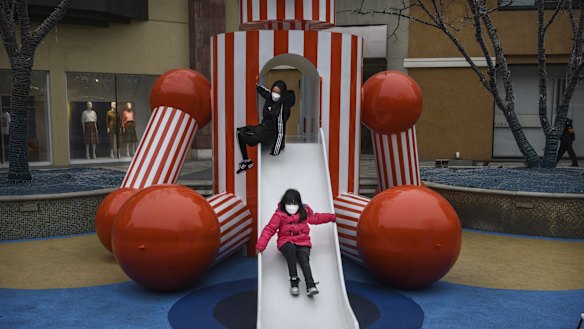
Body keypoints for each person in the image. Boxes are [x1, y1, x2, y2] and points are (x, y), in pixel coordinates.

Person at [255, 189, 336, 296]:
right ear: (284, 203)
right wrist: (260, 246)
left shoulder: (304, 212)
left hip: (302, 241)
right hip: (286, 241)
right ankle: (294, 280)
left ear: (299, 203)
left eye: (294, 203)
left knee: (303, 258)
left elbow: (316, 218)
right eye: (289, 203)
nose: (292, 206)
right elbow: (269, 229)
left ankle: (310, 285)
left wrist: (332, 217)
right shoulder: (279, 215)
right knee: (290, 249)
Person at [236, 80, 295, 174]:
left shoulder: (282, 108)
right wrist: (256, 86)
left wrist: (275, 152)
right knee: (240, 132)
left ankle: (248, 159)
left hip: (270, 135)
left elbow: (280, 131)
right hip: (262, 128)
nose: (275, 95)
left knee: (246, 136)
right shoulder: (270, 97)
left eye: (277, 93)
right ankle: (246, 161)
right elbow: (265, 92)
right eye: (274, 92)